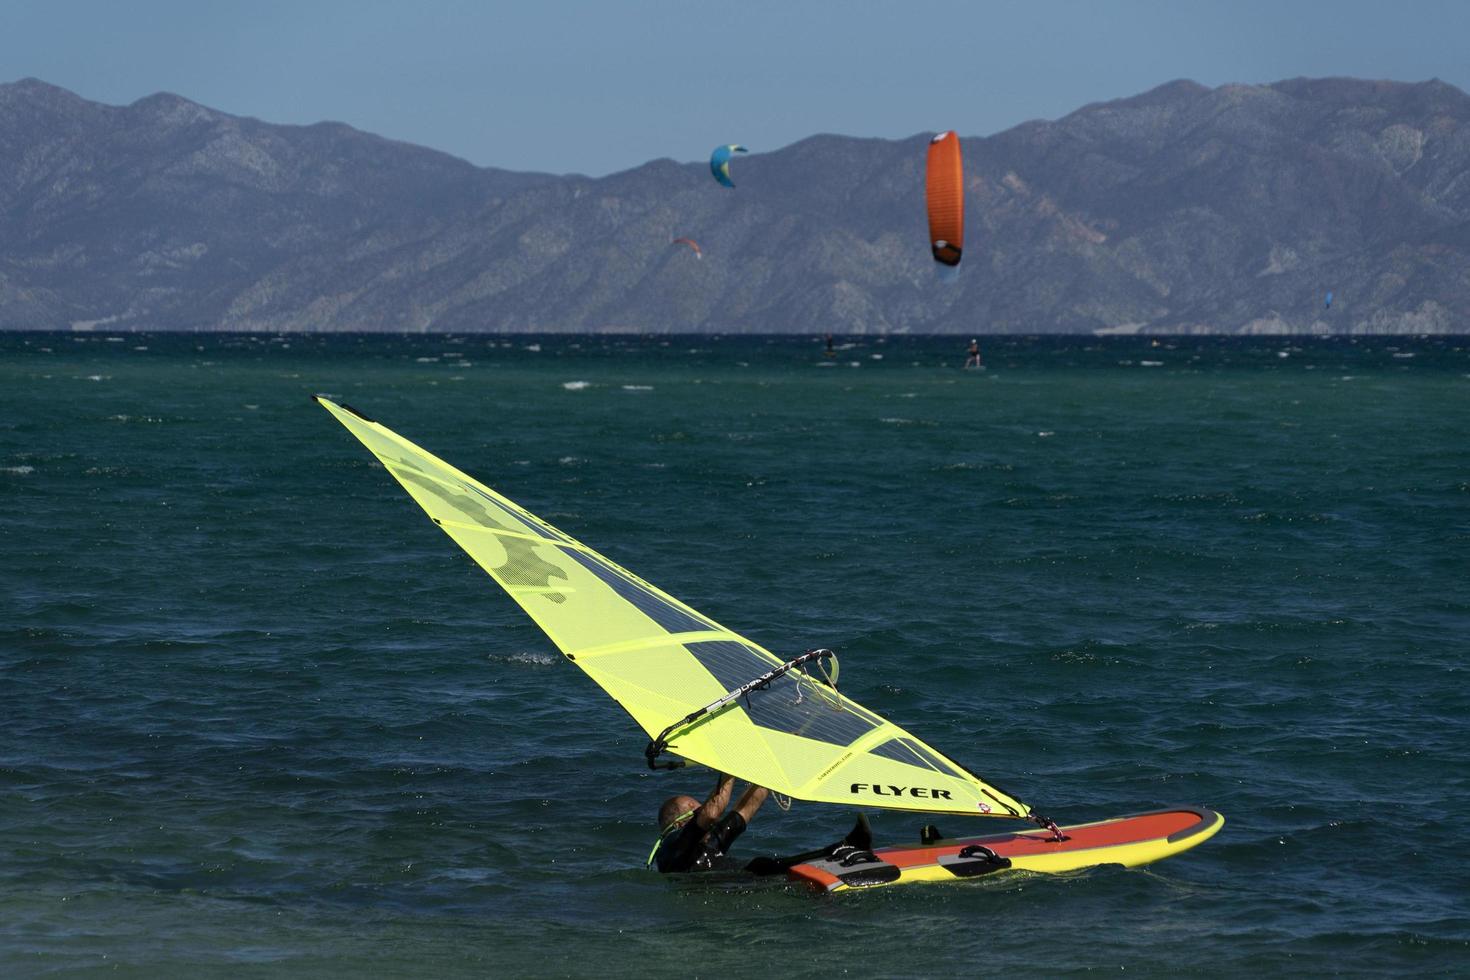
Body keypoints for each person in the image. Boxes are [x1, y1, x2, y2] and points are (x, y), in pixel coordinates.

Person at [651, 772, 768, 873]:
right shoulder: (671, 847)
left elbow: (744, 810)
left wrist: (769, 773)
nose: (709, 825)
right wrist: (730, 765)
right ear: (679, 824)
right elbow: (711, 813)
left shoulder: (707, 843)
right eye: (697, 813)